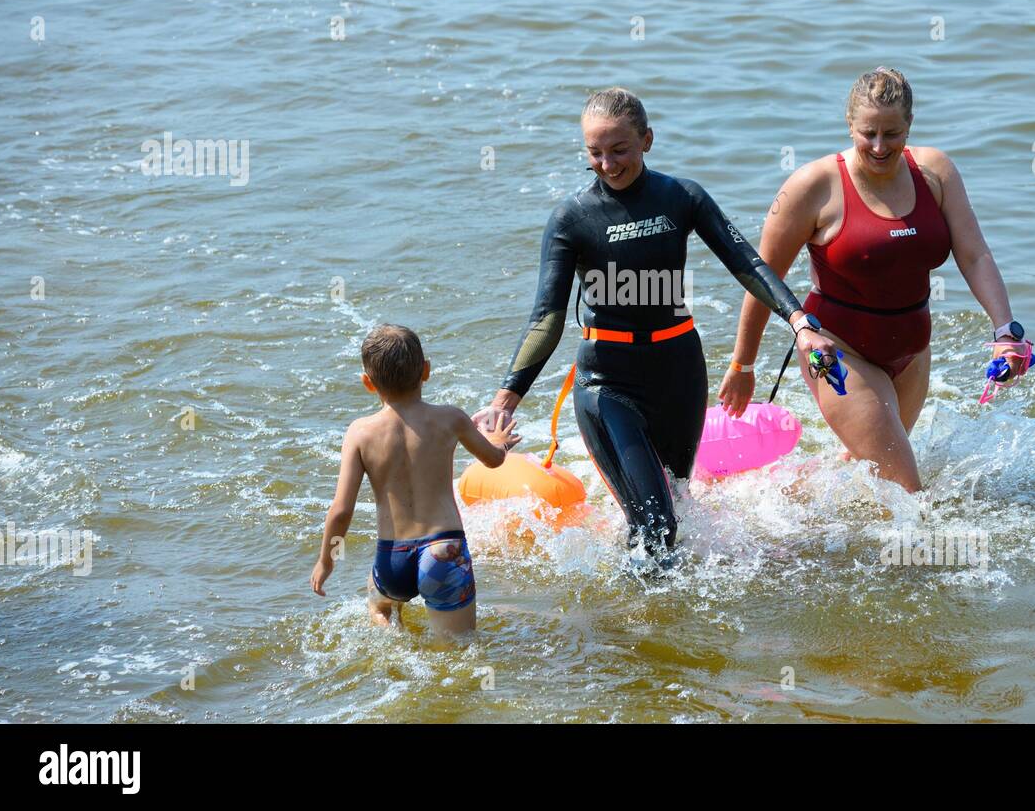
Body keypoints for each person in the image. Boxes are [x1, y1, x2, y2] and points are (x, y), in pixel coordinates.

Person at [476, 88, 836, 564]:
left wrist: (800, 323)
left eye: (619, 149)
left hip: (679, 375)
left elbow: (746, 262)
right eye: (594, 152)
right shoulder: (573, 218)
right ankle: (633, 630)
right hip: (608, 383)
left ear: (647, 139)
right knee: (657, 526)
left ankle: (654, 621)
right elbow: (547, 317)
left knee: (675, 510)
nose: (606, 163)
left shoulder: (681, 197)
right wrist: (506, 396)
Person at [719, 68, 1031, 493]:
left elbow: (975, 255)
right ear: (849, 125)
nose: (880, 146)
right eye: (869, 134)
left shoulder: (935, 173)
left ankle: (776, 493)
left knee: (869, 470)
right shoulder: (813, 186)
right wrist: (743, 364)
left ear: (910, 127)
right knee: (907, 491)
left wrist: (1005, 330)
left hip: (912, 354)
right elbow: (762, 276)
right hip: (837, 355)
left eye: (893, 134)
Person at [311, 323, 517, 636]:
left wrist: (325, 560)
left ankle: (394, 646)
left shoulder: (360, 432)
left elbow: (341, 509)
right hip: (443, 551)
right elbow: (494, 459)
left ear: (368, 383)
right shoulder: (451, 418)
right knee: (458, 649)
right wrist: (499, 440)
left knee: (379, 603)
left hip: (392, 559)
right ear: (426, 371)